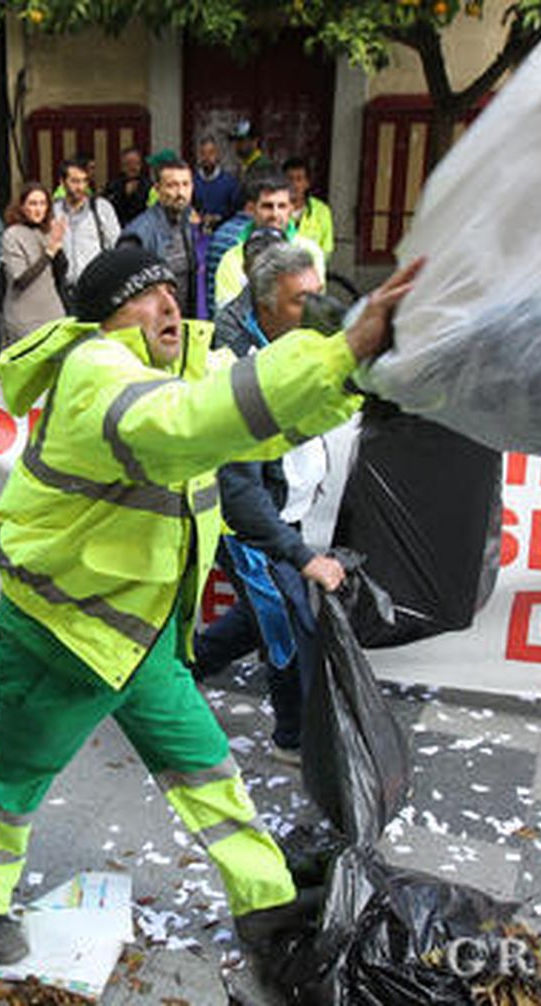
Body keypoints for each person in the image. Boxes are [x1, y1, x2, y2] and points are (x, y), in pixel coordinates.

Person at [0, 244, 422, 964]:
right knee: (15, 775)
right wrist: (342, 353)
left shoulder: (182, 369)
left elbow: (254, 422)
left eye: (171, 290)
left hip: (135, 636)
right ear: (107, 320)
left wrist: (354, 371)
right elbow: (185, 426)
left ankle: (266, 905)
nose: (169, 305)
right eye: (146, 297)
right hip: (66, 635)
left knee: (207, 768)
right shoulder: (95, 373)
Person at [195, 239, 337, 762]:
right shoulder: (236, 362)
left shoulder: (304, 337)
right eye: (302, 300)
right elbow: (239, 489)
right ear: (266, 304)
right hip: (247, 522)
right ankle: (293, 738)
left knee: (265, 612)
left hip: (286, 510)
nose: (316, 309)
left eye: (318, 295)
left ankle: (182, 671)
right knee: (286, 619)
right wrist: (299, 555)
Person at [214, 175, 327, 309]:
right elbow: (227, 312)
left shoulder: (310, 252)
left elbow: (312, 308)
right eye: (267, 206)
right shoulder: (232, 258)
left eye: (282, 206)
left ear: (291, 209)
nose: (275, 214)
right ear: (251, 209)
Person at [118, 159, 201, 318]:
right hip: (153, 323)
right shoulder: (138, 233)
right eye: (172, 185)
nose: (181, 193)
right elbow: (125, 293)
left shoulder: (186, 223)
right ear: (157, 189)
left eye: (186, 184)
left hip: (182, 321)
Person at [1, 184, 68, 347]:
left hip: (52, 313)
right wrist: (48, 253)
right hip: (24, 319)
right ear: (22, 206)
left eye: (42, 203)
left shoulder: (46, 232)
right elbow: (20, 280)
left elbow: (60, 273)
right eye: (32, 203)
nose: (38, 209)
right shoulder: (12, 235)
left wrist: (57, 245)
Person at [52, 159, 120, 287]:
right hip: (63, 287)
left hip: (95, 285)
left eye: (84, 181)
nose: (81, 187)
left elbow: (115, 246)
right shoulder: (54, 211)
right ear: (62, 182)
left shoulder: (101, 208)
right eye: (75, 181)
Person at [284, 157, 334, 258]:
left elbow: (326, 249)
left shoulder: (322, 211)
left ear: (307, 183)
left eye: (299, 179)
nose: (294, 185)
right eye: (289, 179)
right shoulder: (274, 209)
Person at [193, 138, 238, 232]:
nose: (207, 157)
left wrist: (219, 218)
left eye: (211, 153)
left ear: (217, 155)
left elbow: (235, 212)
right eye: (203, 153)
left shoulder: (230, 182)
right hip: (198, 233)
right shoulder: (192, 181)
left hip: (224, 232)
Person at [103, 147, 151, 227]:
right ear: (122, 165)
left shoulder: (148, 185)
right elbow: (107, 208)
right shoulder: (113, 185)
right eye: (129, 163)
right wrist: (123, 194)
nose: (132, 167)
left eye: (136, 163)